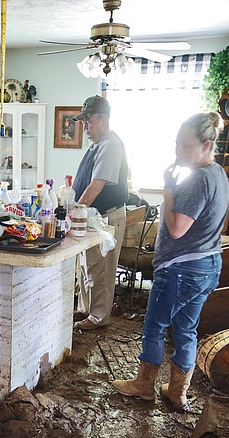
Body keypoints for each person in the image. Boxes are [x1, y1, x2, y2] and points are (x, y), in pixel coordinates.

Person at [112, 112, 229, 410]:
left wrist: (168, 190)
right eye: (176, 145)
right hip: (207, 265)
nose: (178, 152)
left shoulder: (198, 180)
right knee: (186, 329)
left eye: (185, 146)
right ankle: (178, 391)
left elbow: (178, 229)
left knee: (154, 326)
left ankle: (143, 385)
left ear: (205, 145)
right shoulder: (218, 174)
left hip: (182, 268)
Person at [71, 95, 129, 330]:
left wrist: (75, 211)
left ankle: (98, 316)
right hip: (93, 216)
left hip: (106, 217)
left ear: (103, 120)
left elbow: (96, 185)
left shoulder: (110, 145)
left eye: (89, 122)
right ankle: (86, 309)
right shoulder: (97, 145)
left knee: (102, 269)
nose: (85, 127)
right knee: (88, 265)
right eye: (83, 122)